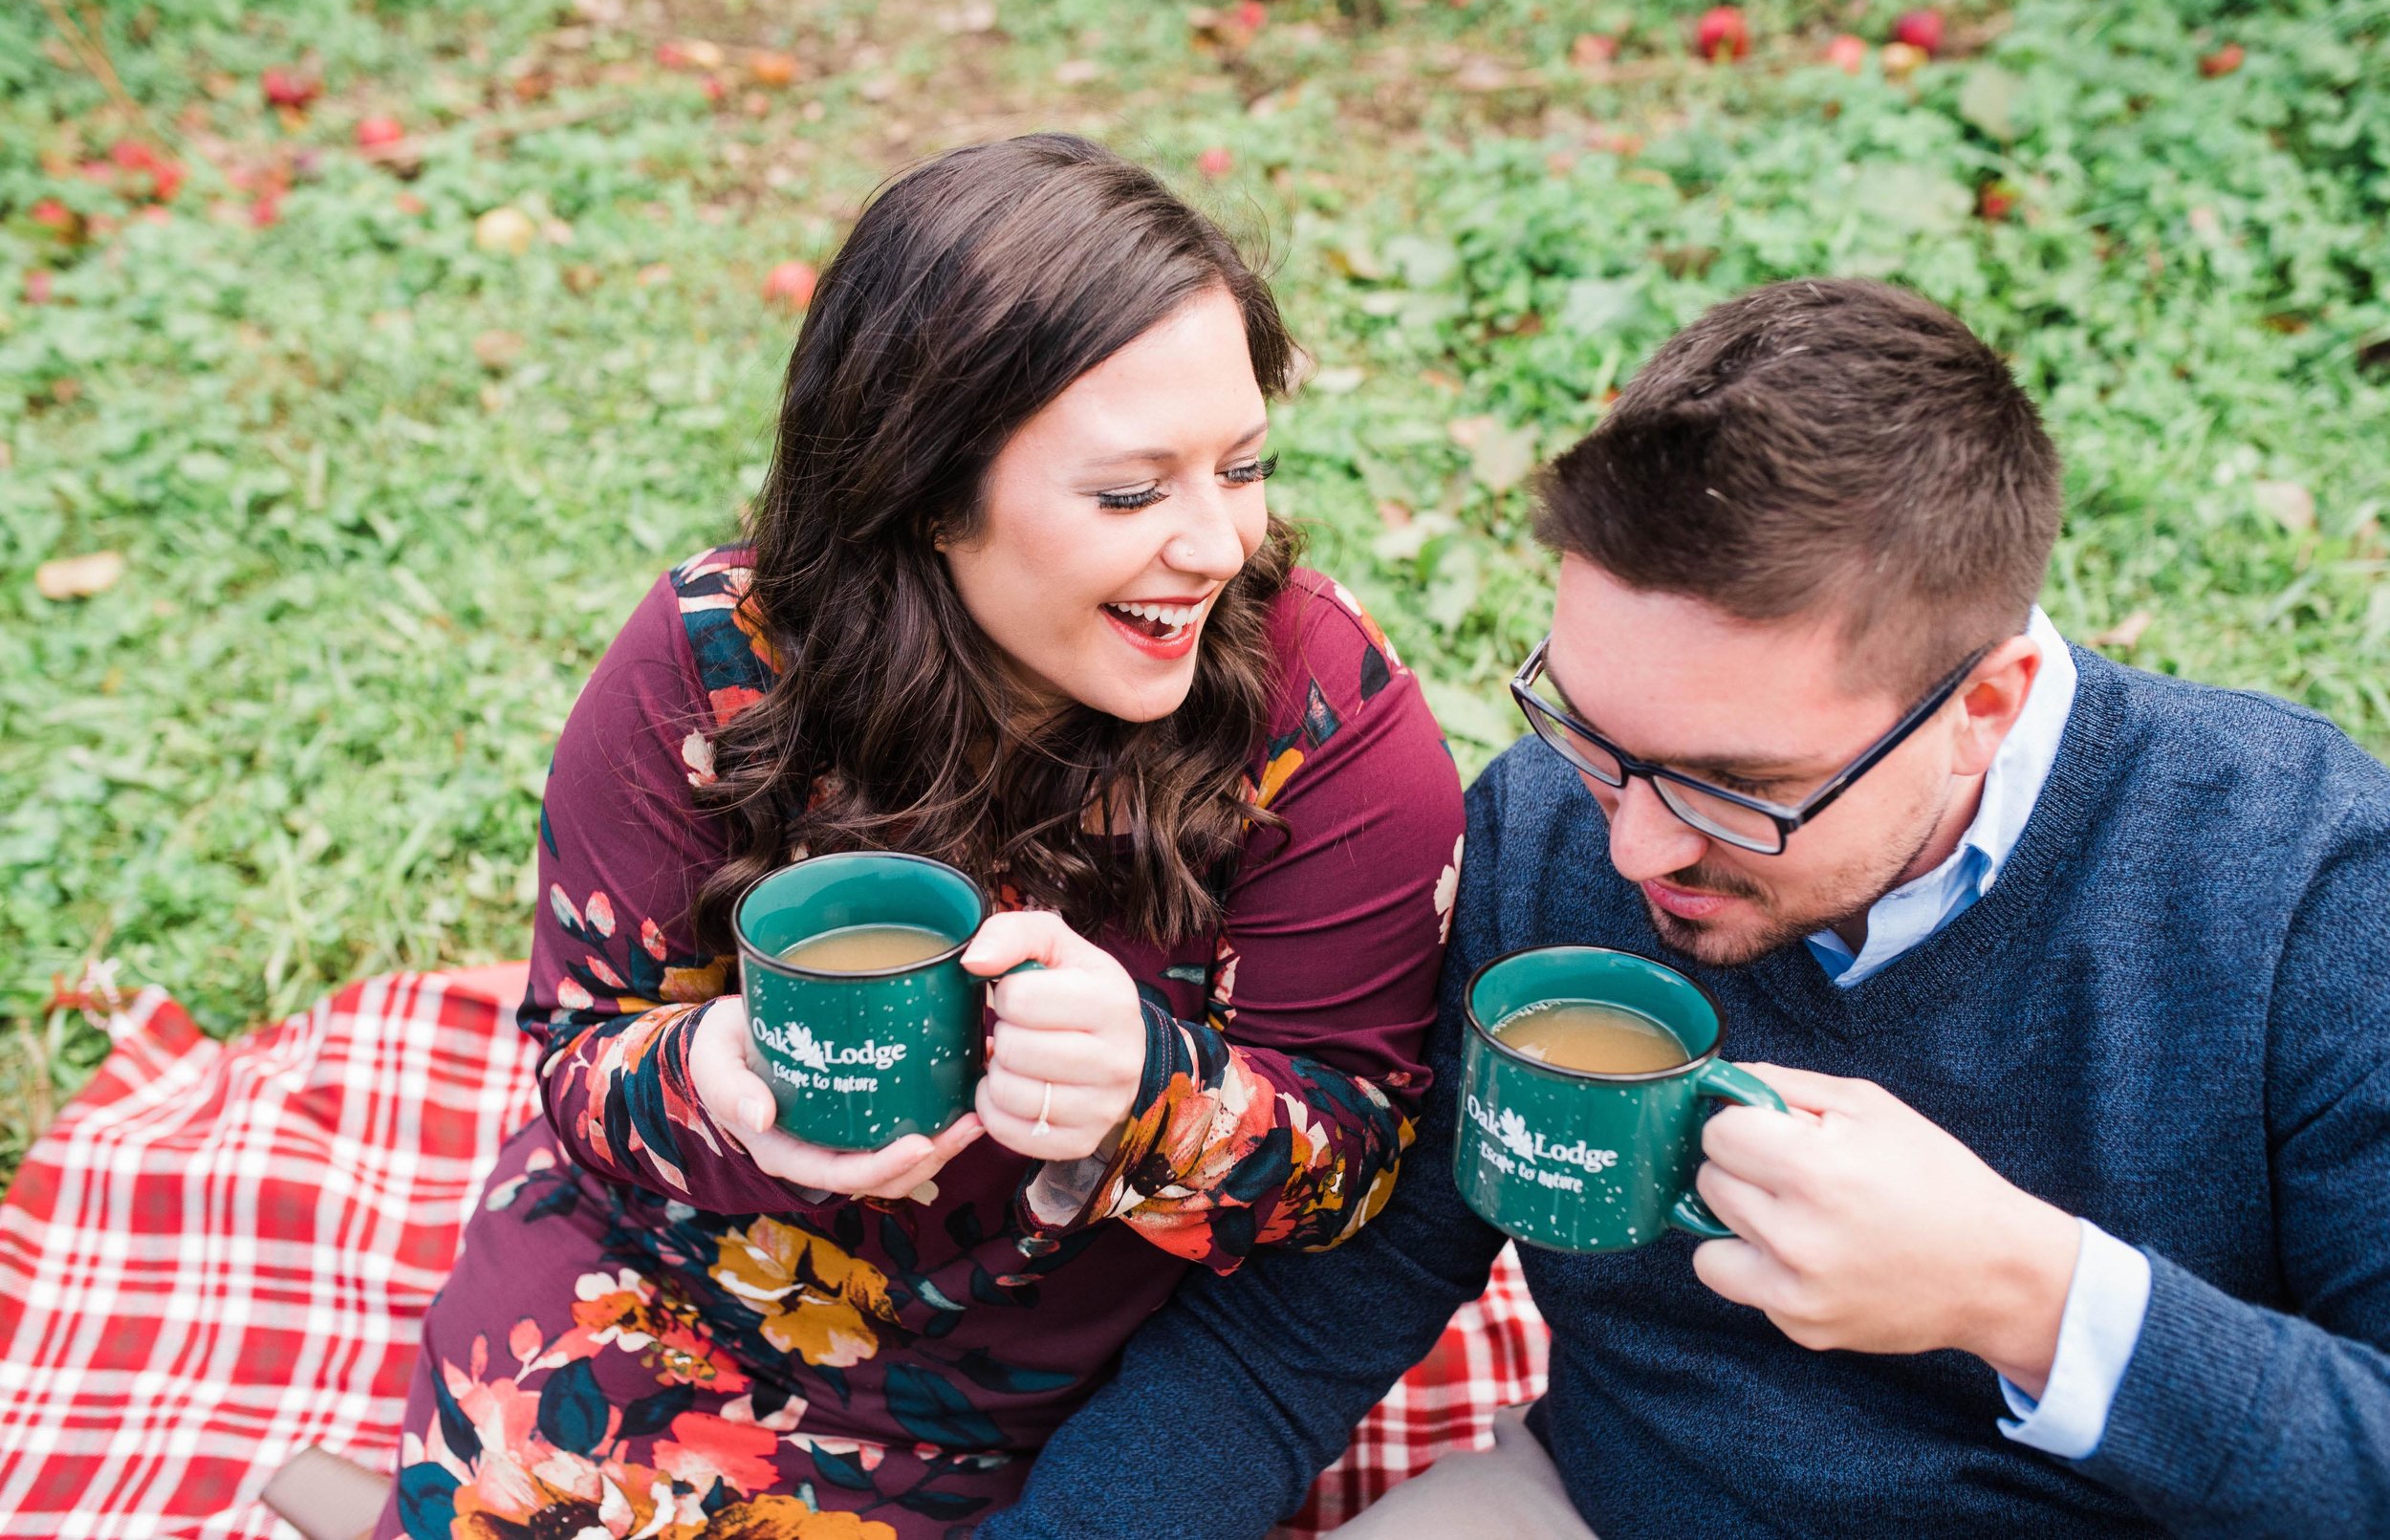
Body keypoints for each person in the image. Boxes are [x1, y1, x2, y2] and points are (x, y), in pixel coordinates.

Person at [979, 278, 2390, 1538]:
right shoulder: (1548, 830)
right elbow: (1303, 1327)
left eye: (1737, 785)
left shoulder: (2297, 879)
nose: (1637, 843)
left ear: (1984, 706)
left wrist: (2025, 1293)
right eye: (1590, 731)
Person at [374, 134, 1465, 1540]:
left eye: (1242, 465)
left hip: (1055, 1383)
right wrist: (709, 1072)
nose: (1217, 545)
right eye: (1133, 492)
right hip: (671, 1298)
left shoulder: (1319, 716)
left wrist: (1158, 1091)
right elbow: (581, 1050)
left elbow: (1362, 1166)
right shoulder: (712, 665)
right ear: (934, 491)